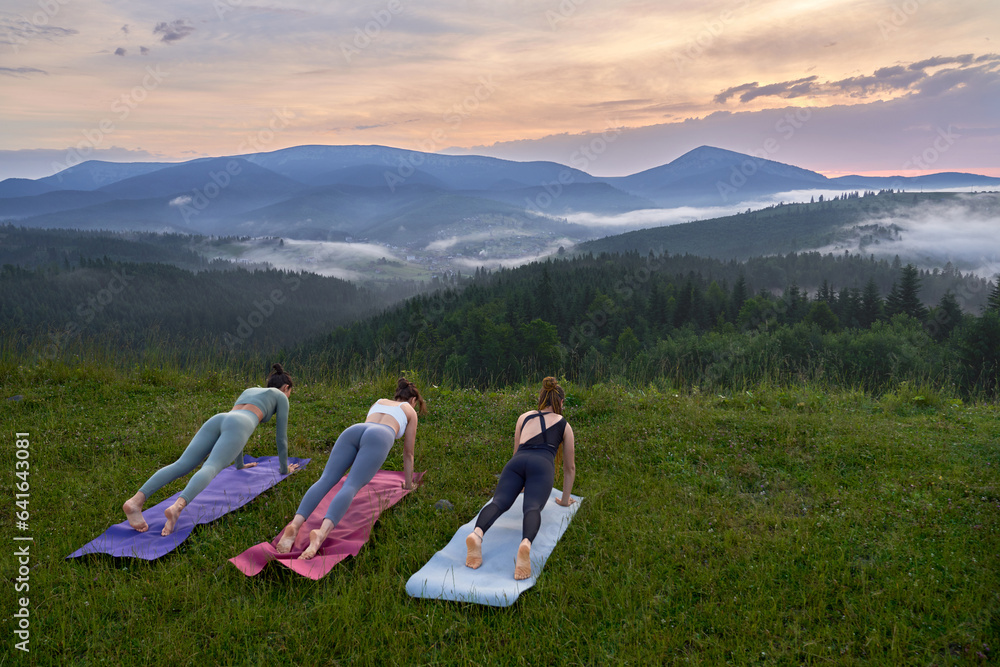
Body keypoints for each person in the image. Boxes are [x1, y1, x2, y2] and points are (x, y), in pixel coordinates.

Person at [122, 363, 301, 536]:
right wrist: (285, 469)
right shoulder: (280, 397)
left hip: (220, 418)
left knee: (181, 464)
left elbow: (234, 434)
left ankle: (135, 501)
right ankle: (177, 507)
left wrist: (239, 465)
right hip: (240, 425)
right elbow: (281, 438)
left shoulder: (250, 390)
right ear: (286, 387)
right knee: (211, 467)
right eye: (290, 393)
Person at [276, 377, 426, 559]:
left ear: (396, 395)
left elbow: (365, 435)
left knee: (325, 480)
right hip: (380, 435)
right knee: (351, 486)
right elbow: (408, 453)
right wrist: (408, 485)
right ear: (413, 400)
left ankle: (295, 525)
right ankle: (320, 534)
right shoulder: (410, 410)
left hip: (354, 430)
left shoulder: (379, 402)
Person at [465, 376, 576, 580]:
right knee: (532, 508)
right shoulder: (564, 424)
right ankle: (525, 543)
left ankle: (477, 534)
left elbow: (516, 452)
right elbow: (570, 468)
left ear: (541, 399)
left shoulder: (524, 417)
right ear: (561, 403)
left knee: (499, 502)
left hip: (517, 464)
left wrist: (521, 484)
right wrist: (565, 499)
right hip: (541, 465)